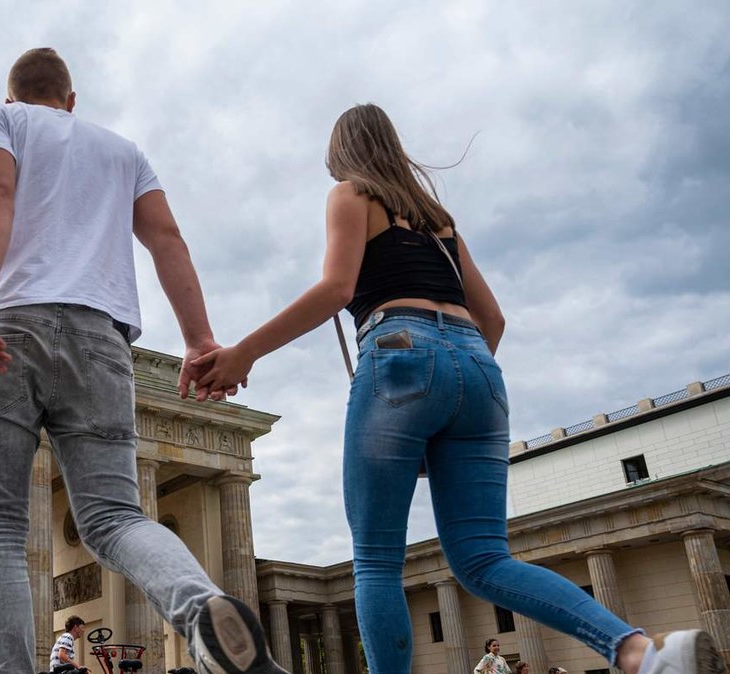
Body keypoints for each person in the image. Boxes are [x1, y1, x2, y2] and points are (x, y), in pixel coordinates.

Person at [191, 103, 726, 674]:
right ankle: (640, 653)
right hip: (478, 370)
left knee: (375, 560)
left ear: (340, 154)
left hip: (399, 352)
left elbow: (336, 288)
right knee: (484, 559)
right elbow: (492, 319)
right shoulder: (439, 221)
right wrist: (447, 395)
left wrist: (243, 352)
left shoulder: (351, 194)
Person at [0, 47, 286, 674]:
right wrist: (199, 340)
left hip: (14, 323)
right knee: (113, 517)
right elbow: (166, 238)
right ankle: (201, 610)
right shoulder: (122, 150)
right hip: (102, 340)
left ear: (11, 98)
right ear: (71, 101)